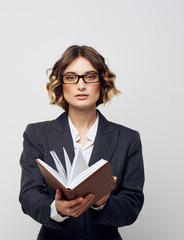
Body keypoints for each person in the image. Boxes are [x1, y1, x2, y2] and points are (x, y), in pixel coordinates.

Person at [19, 45, 145, 240]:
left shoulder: (128, 139)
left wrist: (102, 203)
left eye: (90, 76)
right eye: (71, 77)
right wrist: (57, 209)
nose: (81, 85)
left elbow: (132, 206)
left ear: (102, 83)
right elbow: (29, 195)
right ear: (60, 84)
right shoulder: (36, 134)